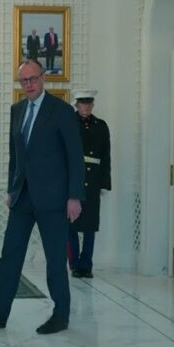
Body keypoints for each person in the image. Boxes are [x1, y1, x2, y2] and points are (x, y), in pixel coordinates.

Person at [0, 59, 84, 335]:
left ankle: (61, 315)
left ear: (43, 78)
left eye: (33, 79)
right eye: (24, 80)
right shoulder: (17, 110)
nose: (29, 84)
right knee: (9, 256)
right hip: (22, 197)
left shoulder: (61, 110)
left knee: (55, 259)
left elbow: (75, 156)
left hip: (54, 198)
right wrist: (12, 189)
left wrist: (74, 196)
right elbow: (16, 155)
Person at [67, 90, 111, 279]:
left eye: (88, 103)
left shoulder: (101, 126)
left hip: (93, 179)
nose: (85, 106)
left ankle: (86, 265)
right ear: (76, 105)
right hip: (73, 178)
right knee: (71, 224)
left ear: (92, 105)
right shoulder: (68, 123)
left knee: (90, 225)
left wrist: (104, 182)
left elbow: (106, 155)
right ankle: (74, 264)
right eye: (82, 103)